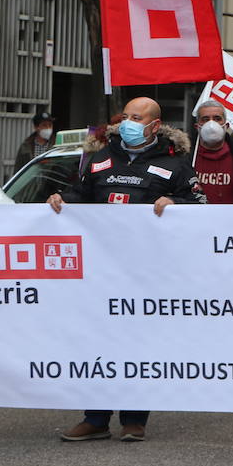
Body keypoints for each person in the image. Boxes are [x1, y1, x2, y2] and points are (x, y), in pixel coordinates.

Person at [48, 97, 206, 443]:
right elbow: (81, 196)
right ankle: (96, 417)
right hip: (102, 272)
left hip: (148, 273)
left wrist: (175, 203)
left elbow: (200, 205)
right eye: (126, 117)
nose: (128, 123)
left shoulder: (175, 165)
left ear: (154, 125)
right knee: (98, 341)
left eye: (137, 118)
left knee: (139, 343)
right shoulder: (100, 159)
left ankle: (134, 418)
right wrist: (63, 200)